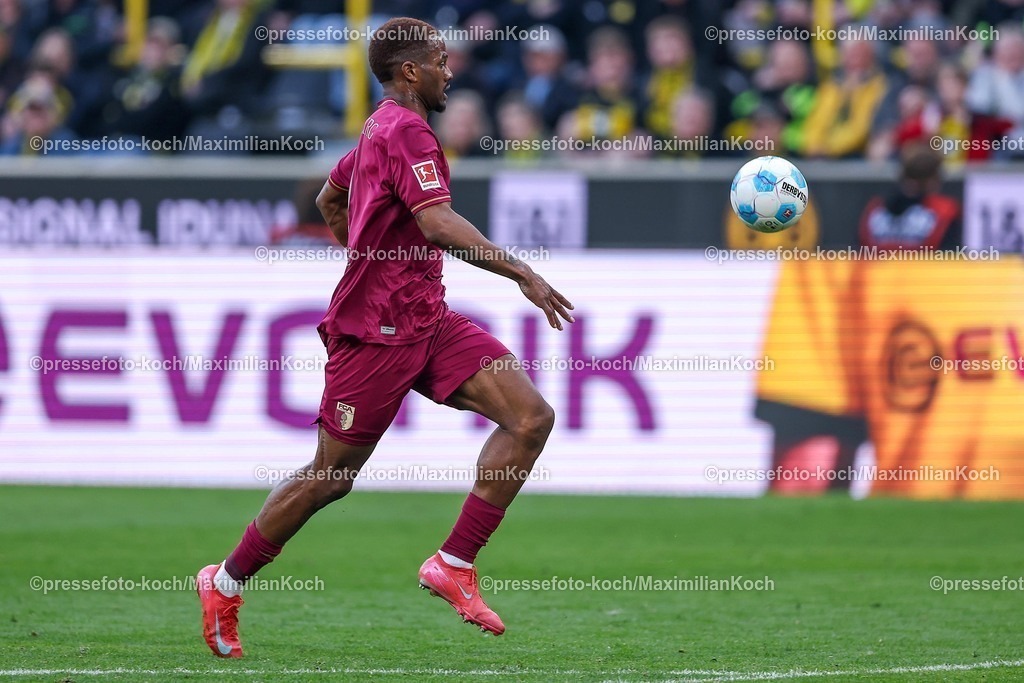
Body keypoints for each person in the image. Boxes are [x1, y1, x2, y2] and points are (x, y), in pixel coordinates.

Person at [195, 16, 575, 658]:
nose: (449, 70)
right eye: (439, 60)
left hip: (427, 318)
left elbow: (329, 199)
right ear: (410, 71)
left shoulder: (379, 129)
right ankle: (225, 580)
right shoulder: (406, 132)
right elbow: (436, 223)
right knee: (330, 478)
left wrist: (369, 256)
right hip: (373, 334)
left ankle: (455, 562)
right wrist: (521, 272)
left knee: (531, 417)